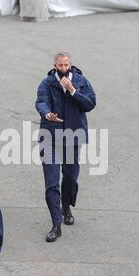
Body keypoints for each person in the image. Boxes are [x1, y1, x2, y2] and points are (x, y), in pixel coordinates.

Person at [35, 52, 96, 242]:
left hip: (72, 136)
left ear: (70, 64)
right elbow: (41, 102)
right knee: (51, 182)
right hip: (50, 136)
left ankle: (66, 207)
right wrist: (47, 114)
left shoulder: (81, 81)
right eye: (60, 66)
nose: (63, 68)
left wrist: (73, 91)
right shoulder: (47, 83)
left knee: (70, 177)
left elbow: (90, 104)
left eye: (66, 65)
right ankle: (55, 224)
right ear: (54, 66)